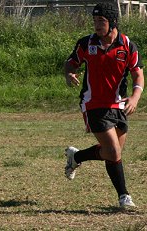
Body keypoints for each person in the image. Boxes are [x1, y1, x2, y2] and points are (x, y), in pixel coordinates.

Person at [64, 3, 144, 208]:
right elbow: (71, 62)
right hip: (93, 104)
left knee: (111, 152)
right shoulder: (86, 43)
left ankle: (77, 156)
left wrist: (135, 98)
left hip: (118, 105)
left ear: (113, 22)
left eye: (102, 21)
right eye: (95, 21)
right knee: (113, 151)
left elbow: (138, 74)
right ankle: (124, 196)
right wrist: (69, 73)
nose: (97, 26)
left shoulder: (127, 45)